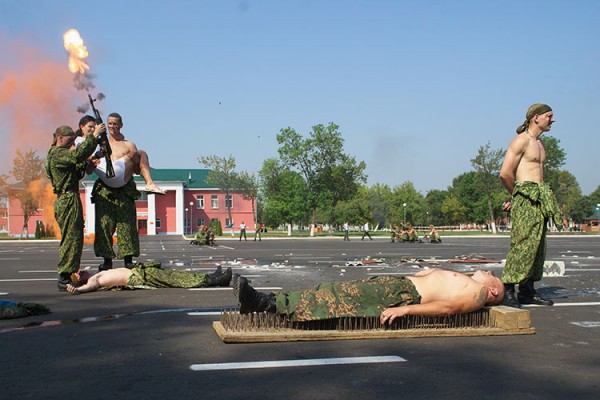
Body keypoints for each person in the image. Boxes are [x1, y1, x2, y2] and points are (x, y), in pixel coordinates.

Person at [232, 268, 504, 323]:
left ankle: (263, 303)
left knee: (336, 298)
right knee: (330, 291)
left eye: (495, 276)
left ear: (493, 290)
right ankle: (267, 300)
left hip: (403, 294)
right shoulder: (470, 281)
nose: (490, 271)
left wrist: (405, 310)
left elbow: (448, 308)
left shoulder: (478, 292)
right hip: (395, 283)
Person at [499, 103, 563, 308]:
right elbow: (505, 173)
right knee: (523, 245)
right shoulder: (521, 141)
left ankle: (527, 292)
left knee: (537, 248)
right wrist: (517, 196)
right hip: (526, 200)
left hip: (539, 200)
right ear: (536, 117)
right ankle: (508, 290)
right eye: (548, 116)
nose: (552, 120)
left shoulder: (540, 144)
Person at [46, 124, 103, 290]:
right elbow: (77, 155)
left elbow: (77, 170)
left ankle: (69, 273)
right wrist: (93, 137)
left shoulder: (60, 155)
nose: (72, 144)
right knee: (71, 238)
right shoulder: (57, 154)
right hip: (67, 199)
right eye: (69, 140)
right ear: (60, 138)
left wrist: (91, 161)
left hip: (70, 197)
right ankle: (64, 277)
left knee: (75, 237)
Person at [93, 113, 147, 271]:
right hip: (105, 190)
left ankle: (128, 260)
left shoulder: (129, 145)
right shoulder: (100, 144)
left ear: (121, 125)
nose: (112, 127)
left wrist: (133, 161)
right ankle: (107, 260)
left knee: (127, 224)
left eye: (115, 124)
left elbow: (137, 169)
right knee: (104, 225)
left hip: (124, 189)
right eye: (109, 124)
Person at [75, 115, 165, 195]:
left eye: (94, 127)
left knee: (140, 154)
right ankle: (149, 183)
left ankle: (150, 184)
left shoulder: (98, 143)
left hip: (118, 177)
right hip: (109, 177)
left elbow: (137, 170)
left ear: (121, 125)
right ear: (81, 127)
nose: (93, 129)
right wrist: (95, 157)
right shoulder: (79, 141)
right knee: (141, 153)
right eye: (90, 127)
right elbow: (81, 154)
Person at [66, 264, 232, 294]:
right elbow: (88, 288)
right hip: (139, 277)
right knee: (176, 279)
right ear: (79, 280)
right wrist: (77, 289)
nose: (80, 270)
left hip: (141, 273)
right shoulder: (92, 281)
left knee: (175, 275)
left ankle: (212, 277)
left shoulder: (96, 273)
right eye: (78, 273)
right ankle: (215, 280)